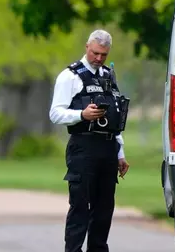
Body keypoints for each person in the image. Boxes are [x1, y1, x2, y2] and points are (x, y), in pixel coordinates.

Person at [49, 29, 131, 252]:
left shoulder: (108, 75)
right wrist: (81, 115)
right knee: (80, 209)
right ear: (87, 47)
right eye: (95, 53)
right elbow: (55, 114)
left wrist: (120, 153)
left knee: (104, 210)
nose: (99, 58)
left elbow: (114, 118)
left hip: (107, 148)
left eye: (104, 54)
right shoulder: (70, 76)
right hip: (83, 147)